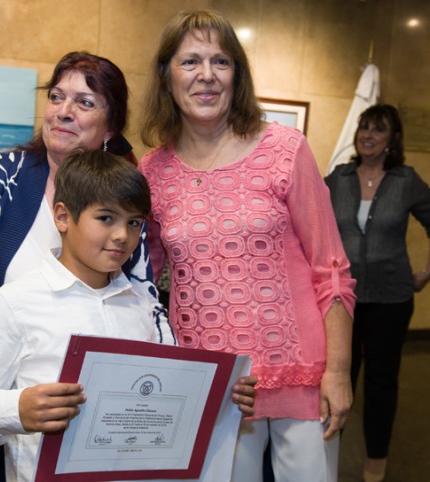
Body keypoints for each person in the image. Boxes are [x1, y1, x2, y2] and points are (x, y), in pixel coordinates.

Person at [0, 51, 174, 482]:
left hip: (55, 429)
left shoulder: (119, 205)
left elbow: (145, 310)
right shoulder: (1, 177)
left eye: (84, 102)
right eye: (57, 96)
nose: (63, 111)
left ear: (110, 127)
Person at [139, 10, 357, 482]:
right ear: (166, 75)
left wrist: (338, 373)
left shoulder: (285, 148)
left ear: (237, 73)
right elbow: (138, 279)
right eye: (190, 61)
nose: (206, 76)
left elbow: (332, 268)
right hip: (213, 380)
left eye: (221, 61)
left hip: (302, 374)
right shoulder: (152, 172)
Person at [0, 150, 175, 481]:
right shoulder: (19, 302)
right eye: (106, 218)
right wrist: (17, 409)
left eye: (133, 222)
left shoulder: (139, 305)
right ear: (62, 217)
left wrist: (223, 397)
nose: (122, 235)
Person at [325, 104, 430, 482]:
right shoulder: (338, 177)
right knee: (339, 377)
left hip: (391, 299)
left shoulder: (406, 180)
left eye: (378, 129)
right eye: (363, 127)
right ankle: (329, 454)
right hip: (342, 301)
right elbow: (310, 225)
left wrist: (427, 273)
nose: (367, 134)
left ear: (392, 139)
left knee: (381, 382)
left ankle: (375, 465)